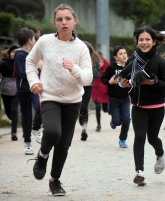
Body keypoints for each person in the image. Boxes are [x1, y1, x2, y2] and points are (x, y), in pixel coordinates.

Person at [26, 4, 93, 196]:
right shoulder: (45, 41)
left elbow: (87, 78)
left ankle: (55, 181)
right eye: (60, 19)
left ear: (75, 21)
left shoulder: (81, 48)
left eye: (68, 19)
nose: (64, 22)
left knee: (64, 143)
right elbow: (30, 61)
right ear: (54, 22)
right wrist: (34, 81)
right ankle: (42, 155)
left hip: (73, 100)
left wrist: (74, 68)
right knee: (53, 132)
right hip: (50, 97)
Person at [116, 26, 165, 186]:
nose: (144, 42)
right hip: (138, 106)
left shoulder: (162, 62)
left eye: (147, 39)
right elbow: (121, 79)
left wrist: (152, 81)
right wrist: (123, 84)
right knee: (139, 137)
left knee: (152, 138)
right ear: (137, 42)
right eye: (141, 39)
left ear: (154, 42)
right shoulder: (132, 61)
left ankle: (160, 155)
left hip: (156, 107)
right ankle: (139, 172)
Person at [15, 28, 43, 154]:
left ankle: (36, 128)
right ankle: (27, 142)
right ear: (29, 40)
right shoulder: (20, 55)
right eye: (33, 38)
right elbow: (21, 73)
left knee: (40, 107)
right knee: (26, 116)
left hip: (35, 88)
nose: (35, 40)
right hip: (24, 90)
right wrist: (37, 68)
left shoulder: (34, 54)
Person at [101, 46, 131, 148]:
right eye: (121, 54)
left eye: (125, 53)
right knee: (117, 122)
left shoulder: (129, 66)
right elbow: (103, 78)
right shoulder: (112, 67)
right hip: (113, 98)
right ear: (116, 57)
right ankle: (114, 120)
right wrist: (110, 82)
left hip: (125, 98)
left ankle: (122, 139)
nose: (124, 55)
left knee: (127, 119)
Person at [79, 41, 102, 141]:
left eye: (87, 49)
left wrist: (89, 72)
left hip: (87, 86)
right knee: (76, 107)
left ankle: (84, 129)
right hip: (76, 86)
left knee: (84, 107)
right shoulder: (76, 58)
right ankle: (80, 116)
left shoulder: (93, 60)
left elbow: (97, 74)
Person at [0, 45, 19, 141]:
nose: (14, 54)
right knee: (8, 112)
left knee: (14, 111)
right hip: (5, 90)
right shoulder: (4, 63)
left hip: (16, 91)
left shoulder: (19, 63)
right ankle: (12, 120)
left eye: (16, 52)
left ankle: (14, 133)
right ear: (9, 53)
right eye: (13, 52)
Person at [91, 51, 110, 132]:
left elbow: (109, 75)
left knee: (106, 109)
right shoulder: (93, 64)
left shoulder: (107, 64)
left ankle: (114, 114)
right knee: (97, 107)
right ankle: (98, 124)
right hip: (95, 88)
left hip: (104, 88)